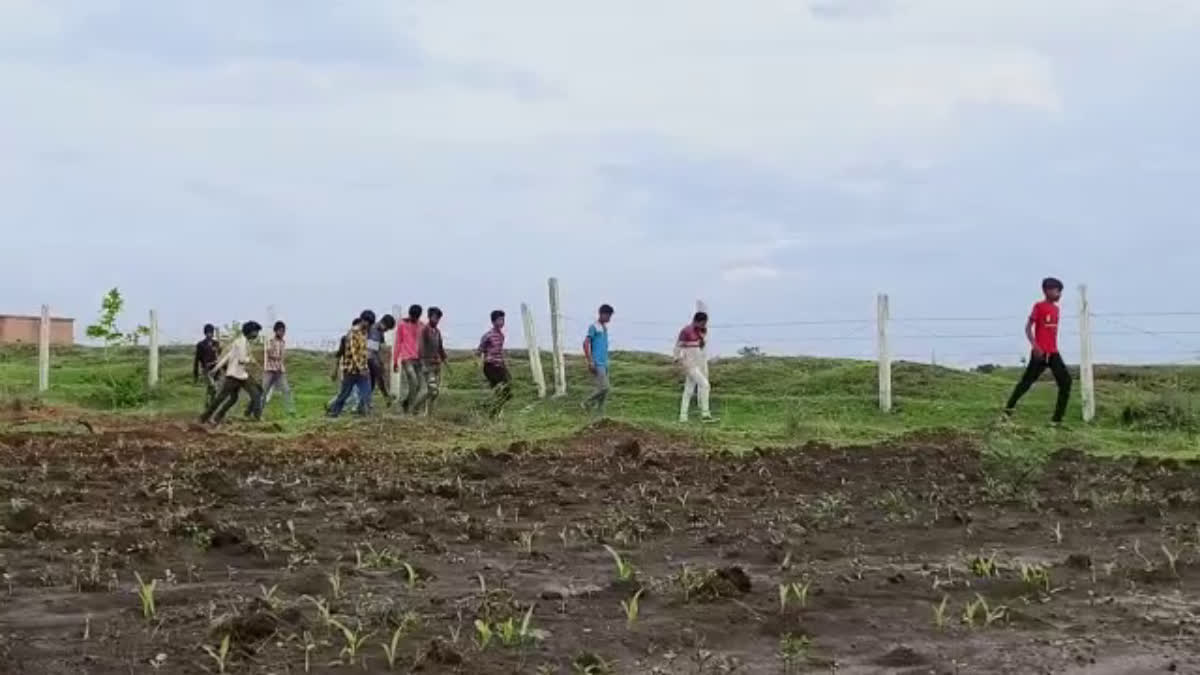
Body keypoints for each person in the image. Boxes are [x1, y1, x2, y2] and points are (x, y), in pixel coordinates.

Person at [1004, 277, 1072, 426]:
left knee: (1066, 382)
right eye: (1057, 291)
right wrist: (1035, 346)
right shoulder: (1039, 306)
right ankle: (1007, 411)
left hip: (1053, 353)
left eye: (1060, 291)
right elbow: (1028, 328)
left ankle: (1057, 420)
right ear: (1047, 291)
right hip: (1039, 353)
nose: (1059, 294)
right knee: (1026, 382)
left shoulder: (1056, 309)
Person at [200, 321, 264, 425]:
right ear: (250, 331)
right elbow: (242, 360)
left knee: (251, 393)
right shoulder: (242, 343)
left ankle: (210, 417)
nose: (257, 334)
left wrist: (216, 369)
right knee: (252, 394)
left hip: (240, 375)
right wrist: (250, 360)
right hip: (235, 376)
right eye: (256, 332)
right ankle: (255, 417)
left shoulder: (239, 341)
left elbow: (227, 357)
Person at [675, 311, 715, 423]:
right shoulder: (686, 331)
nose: (704, 325)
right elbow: (678, 346)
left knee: (689, 390)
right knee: (705, 385)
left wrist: (702, 337)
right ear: (697, 321)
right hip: (689, 364)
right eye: (703, 323)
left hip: (698, 363)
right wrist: (677, 358)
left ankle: (683, 417)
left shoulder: (700, 331)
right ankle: (705, 415)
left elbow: (700, 347)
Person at [328, 316, 371, 417]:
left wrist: (365, 368)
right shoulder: (350, 335)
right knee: (345, 394)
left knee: (366, 392)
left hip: (361, 371)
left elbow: (363, 354)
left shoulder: (364, 334)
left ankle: (362, 412)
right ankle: (334, 411)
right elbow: (353, 353)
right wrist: (335, 370)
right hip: (350, 370)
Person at [411, 307, 448, 416]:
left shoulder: (437, 332)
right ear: (429, 317)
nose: (436, 320)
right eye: (434, 317)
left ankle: (429, 414)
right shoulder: (424, 330)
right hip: (427, 364)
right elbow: (421, 347)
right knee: (432, 390)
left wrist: (445, 361)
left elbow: (440, 348)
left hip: (436, 365)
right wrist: (422, 362)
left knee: (435, 393)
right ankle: (415, 408)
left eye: (438, 318)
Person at [476, 310, 511, 418]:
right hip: (490, 366)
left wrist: (505, 366)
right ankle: (494, 412)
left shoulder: (501, 336)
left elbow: (500, 352)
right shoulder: (488, 335)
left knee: (507, 389)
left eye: (503, 320)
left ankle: (494, 411)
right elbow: (479, 350)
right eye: (499, 320)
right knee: (499, 388)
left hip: (500, 365)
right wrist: (479, 363)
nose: (502, 322)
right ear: (493, 321)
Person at [257, 321, 296, 417]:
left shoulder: (283, 342)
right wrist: (278, 357)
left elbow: (282, 357)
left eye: (284, 331)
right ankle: (258, 412)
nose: (283, 333)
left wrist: (279, 362)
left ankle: (291, 411)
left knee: (287, 390)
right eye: (281, 331)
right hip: (269, 370)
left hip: (279, 370)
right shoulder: (269, 340)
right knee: (264, 392)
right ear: (276, 331)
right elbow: (269, 354)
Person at [582, 304, 614, 417]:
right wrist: (590, 361)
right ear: (602, 314)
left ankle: (600, 412)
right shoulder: (594, 327)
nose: (610, 318)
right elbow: (586, 343)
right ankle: (587, 403)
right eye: (608, 316)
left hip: (605, 362)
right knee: (605, 387)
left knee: (604, 391)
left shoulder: (604, 328)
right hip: (597, 362)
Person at [393, 305, 424, 414]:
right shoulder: (402, 325)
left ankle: (409, 405)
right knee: (413, 381)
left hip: (418, 359)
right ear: (410, 314)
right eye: (413, 316)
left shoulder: (421, 326)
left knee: (419, 385)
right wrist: (395, 360)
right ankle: (405, 404)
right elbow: (398, 343)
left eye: (416, 317)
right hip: (407, 358)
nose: (414, 318)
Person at [367, 312, 397, 406]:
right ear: (383, 323)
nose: (386, 331)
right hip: (369, 360)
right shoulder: (373, 329)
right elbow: (371, 348)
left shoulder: (380, 331)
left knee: (373, 383)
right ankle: (386, 397)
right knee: (376, 380)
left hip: (374, 359)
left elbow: (381, 346)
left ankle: (367, 402)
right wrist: (379, 362)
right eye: (387, 328)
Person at [193, 323, 222, 409]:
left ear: (213, 333)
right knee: (213, 387)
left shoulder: (216, 344)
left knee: (213, 389)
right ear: (205, 333)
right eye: (208, 332)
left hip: (216, 369)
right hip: (206, 369)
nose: (209, 334)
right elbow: (197, 359)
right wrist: (195, 374)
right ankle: (210, 405)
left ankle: (209, 405)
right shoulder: (201, 345)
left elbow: (220, 356)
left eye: (211, 332)